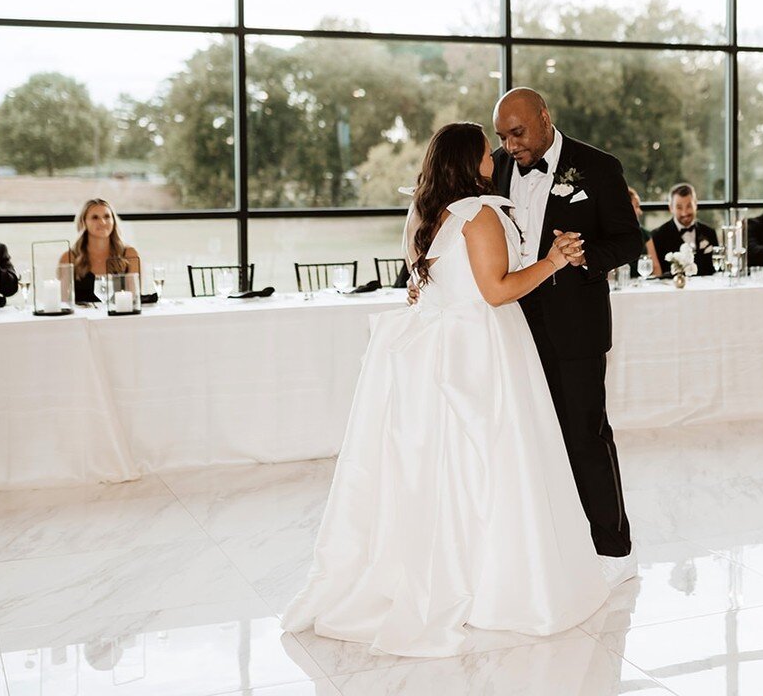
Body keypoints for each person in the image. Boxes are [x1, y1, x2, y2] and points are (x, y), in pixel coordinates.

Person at [281, 122, 610, 657]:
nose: (493, 156)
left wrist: (548, 253)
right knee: (491, 460)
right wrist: (551, 263)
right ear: (468, 160)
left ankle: (435, 564)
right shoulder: (477, 214)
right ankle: (493, 582)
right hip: (479, 350)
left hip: (438, 350)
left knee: (441, 467)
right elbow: (496, 292)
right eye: (486, 150)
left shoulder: (428, 210)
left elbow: (434, 281)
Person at [491, 88, 643, 574]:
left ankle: (611, 548)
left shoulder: (597, 167)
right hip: (510, 327)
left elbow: (627, 240)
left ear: (544, 117)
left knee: (585, 437)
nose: (511, 146)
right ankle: (546, 550)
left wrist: (586, 258)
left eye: (517, 133)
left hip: (575, 329)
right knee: (525, 438)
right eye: (502, 137)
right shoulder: (492, 168)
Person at [61, 198, 142, 303]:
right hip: (83, 319)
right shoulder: (69, 257)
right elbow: (63, 302)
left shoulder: (129, 254)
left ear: (113, 220)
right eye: (95, 218)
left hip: (120, 318)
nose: (103, 222)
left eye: (107, 217)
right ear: (83, 222)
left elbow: (135, 300)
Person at [649, 183, 718, 276]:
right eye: (679, 207)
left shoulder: (709, 232)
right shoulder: (658, 236)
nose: (684, 213)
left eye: (689, 206)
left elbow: (716, 271)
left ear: (696, 205)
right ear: (671, 208)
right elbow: (658, 275)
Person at [627, 187, 662, 277]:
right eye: (637, 206)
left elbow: (656, 268)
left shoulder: (644, 233)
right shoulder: (608, 235)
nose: (640, 212)